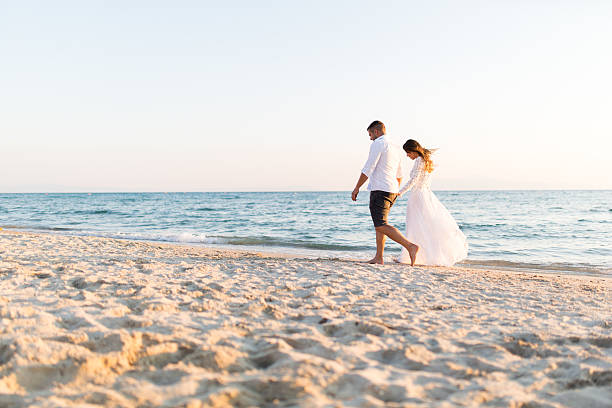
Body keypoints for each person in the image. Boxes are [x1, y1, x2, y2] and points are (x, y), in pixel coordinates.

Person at [352, 121, 419, 266]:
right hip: (392, 190)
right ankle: (378, 257)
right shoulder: (395, 146)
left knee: (380, 225)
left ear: (376, 132)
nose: (370, 138)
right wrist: (394, 189)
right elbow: (400, 173)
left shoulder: (378, 143)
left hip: (380, 189)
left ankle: (410, 246)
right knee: (381, 224)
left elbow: (368, 167)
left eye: (370, 134)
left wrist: (356, 187)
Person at [395, 139, 468, 266]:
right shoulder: (426, 161)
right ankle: (417, 256)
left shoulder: (418, 160)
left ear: (413, 151)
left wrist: (400, 192)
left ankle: (411, 256)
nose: (407, 155)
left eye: (408, 153)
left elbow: (414, 180)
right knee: (424, 226)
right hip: (426, 194)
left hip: (418, 196)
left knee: (415, 226)